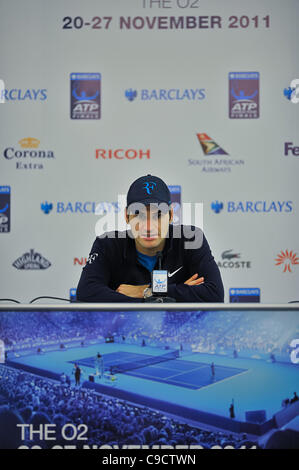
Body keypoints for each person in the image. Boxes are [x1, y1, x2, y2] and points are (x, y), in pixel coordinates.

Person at [76, 175, 224, 303]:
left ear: (171, 215)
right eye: (139, 215)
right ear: (127, 217)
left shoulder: (191, 238)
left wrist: (146, 291)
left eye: (158, 215)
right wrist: (169, 295)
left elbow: (214, 294)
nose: (148, 227)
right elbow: (86, 294)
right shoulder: (108, 243)